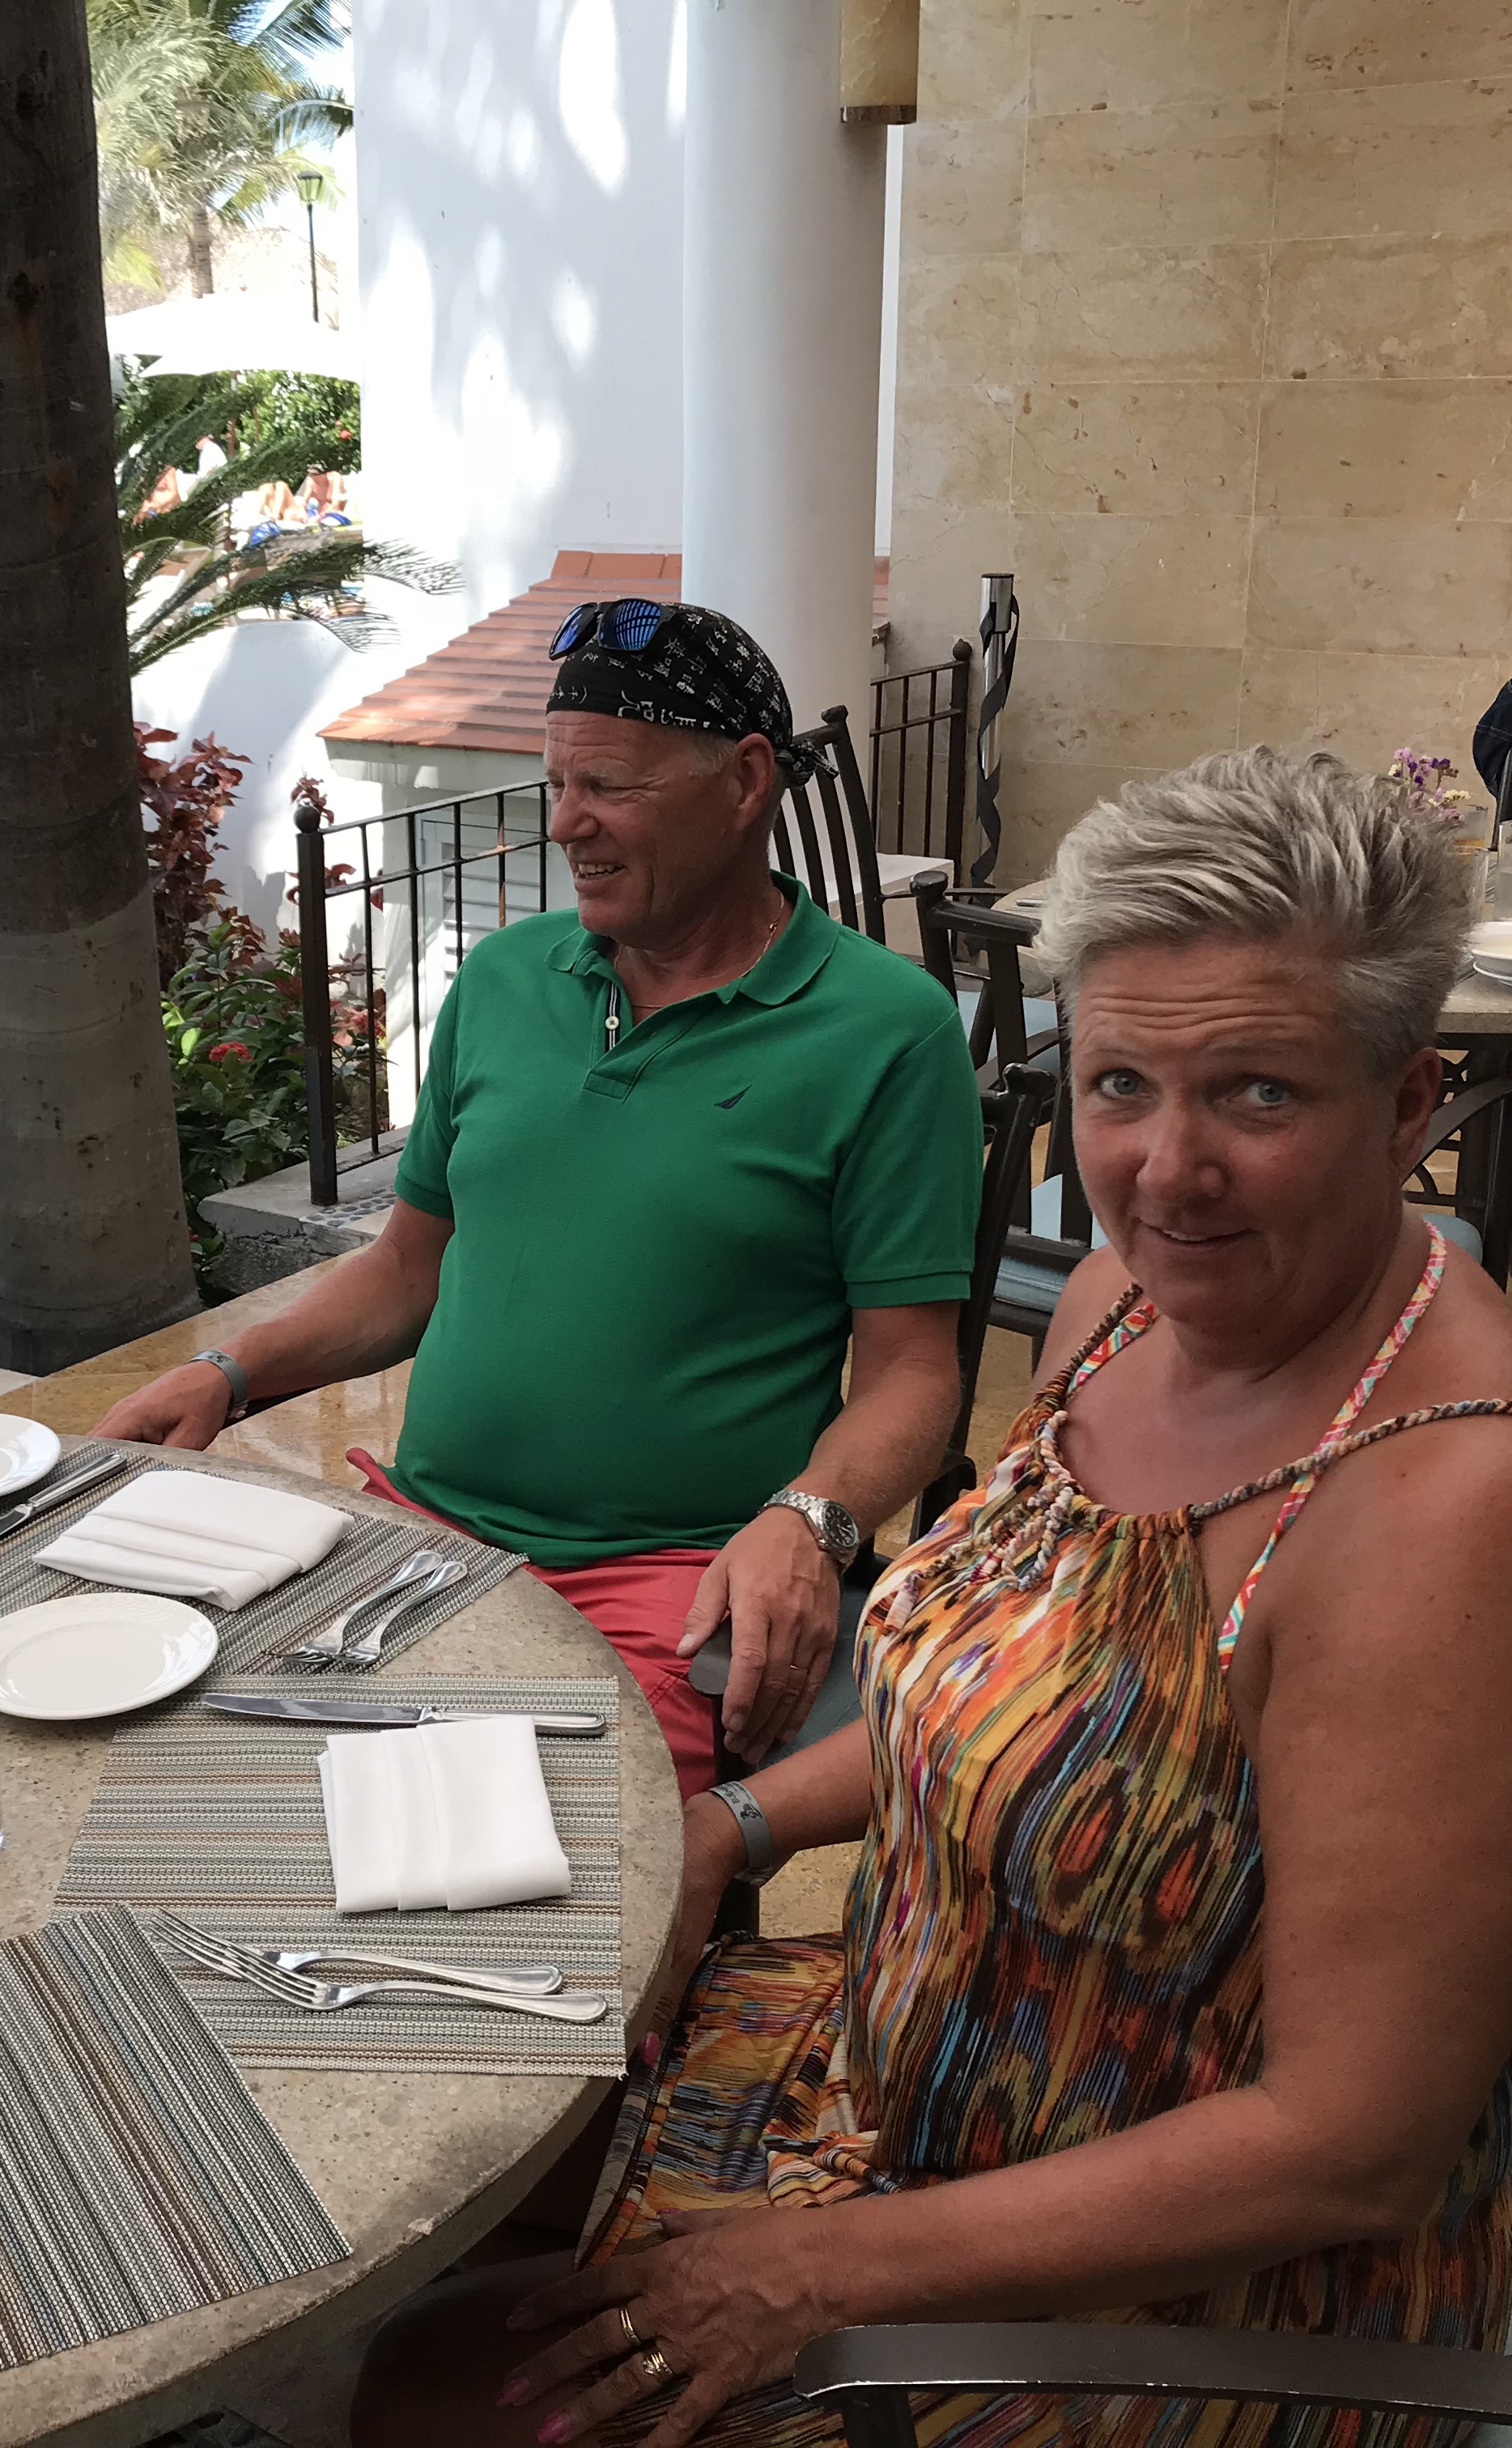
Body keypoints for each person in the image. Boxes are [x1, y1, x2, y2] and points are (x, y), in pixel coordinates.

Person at [353, 747, 1512, 2448]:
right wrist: (729, 1825)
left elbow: (1351, 2145)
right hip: (915, 2067)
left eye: (1259, 1094)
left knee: (437, 2388)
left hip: (1203, 2301)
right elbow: (1009, 1675)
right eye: (1119, 1084)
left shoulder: (1461, 1513)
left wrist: (809, 2274)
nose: (1166, 1169)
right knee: (457, 2105)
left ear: (1409, 1106)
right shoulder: (1124, 1306)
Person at [92, 601, 982, 1793]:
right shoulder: (507, 977)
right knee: (213, 1778)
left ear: (745, 782)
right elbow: (406, 1269)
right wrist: (229, 1373)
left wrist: (810, 1520)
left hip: (670, 1579)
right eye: (558, 784)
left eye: (608, 786)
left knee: (523, 1848)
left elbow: (915, 1372)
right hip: (419, 1535)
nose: (566, 824)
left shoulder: (886, 1031)